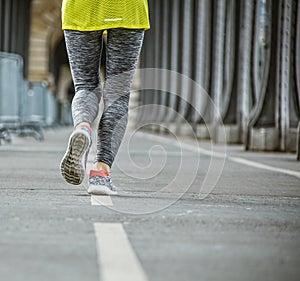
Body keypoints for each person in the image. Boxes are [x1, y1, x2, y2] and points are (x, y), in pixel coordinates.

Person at [60, 0, 150, 195]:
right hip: (128, 9)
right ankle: (101, 174)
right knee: (117, 94)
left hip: (79, 9)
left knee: (85, 86)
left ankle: (83, 127)